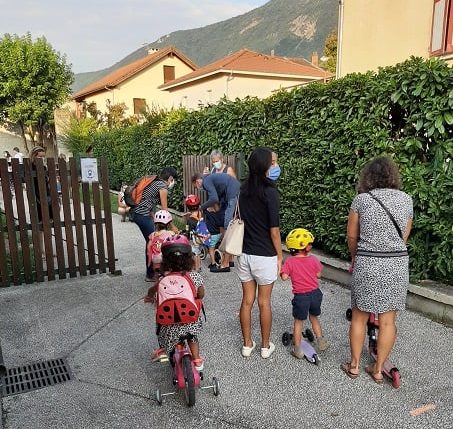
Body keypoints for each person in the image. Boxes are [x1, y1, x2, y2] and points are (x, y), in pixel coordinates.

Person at [342, 156, 413, 383]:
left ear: (368, 177)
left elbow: (352, 235)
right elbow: (404, 236)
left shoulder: (361, 200)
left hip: (368, 262)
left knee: (359, 318)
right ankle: (378, 368)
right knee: (388, 321)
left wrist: (356, 256)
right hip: (396, 264)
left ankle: (353, 366)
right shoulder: (406, 199)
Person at [237, 147, 282, 359]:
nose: (276, 166)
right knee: (264, 302)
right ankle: (265, 346)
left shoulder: (243, 190)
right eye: (273, 162)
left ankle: (247, 345)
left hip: (244, 253)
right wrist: (280, 256)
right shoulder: (271, 193)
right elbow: (274, 230)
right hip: (265, 255)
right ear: (264, 165)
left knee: (247, 301)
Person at [147, 234, 205, 370]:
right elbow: (201, 294)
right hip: (190, 321)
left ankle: (164, 350)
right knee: (192, 337)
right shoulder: (194, 276)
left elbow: (152, 291)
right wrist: (198, 297)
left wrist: (149, 297)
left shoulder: (162, 278)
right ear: (189, 259)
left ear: (165, 260)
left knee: (160, 327)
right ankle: (197, 360)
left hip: (168, 323)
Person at [280, 228, 330, 357]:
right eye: (309, 243)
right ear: (305, 247)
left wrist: (281, 269)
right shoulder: (313, 259)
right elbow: (319, 275)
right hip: (316, 294)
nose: (311, 246)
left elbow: (284, 277)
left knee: (298, 322)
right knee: (314, 317)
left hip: (301, 297)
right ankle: (321, 340)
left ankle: (297, 350)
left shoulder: (290, 262)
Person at [132, 166, 177, 282]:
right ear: (170, 178)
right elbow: (164, 210)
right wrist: (172, 226)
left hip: (140, 214)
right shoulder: (162, 186)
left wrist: (153, 217)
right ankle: (151, 274)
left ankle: (154, 271)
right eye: (174, 180)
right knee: (153, 242)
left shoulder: (156, 183)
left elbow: (148, 201)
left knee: (151, 241)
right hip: (142, 215)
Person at [192, 171, 240, 272]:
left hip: (232, 193)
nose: (198, 188)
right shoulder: (210, 178)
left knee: (228, 227)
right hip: (232, 191)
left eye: (196, 186)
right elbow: (217, 198)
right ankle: (229, 260)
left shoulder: (206, 181)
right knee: (227, 226)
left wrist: (201, 208)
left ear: (197, 181)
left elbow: (214, 198)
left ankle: (225, 264)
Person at [29, 146, 54, 258]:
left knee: (47, 225)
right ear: (34, 156)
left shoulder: (43, 168)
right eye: (40, 157)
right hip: (36, 199)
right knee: (39, 227)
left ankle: (48, 250)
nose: (42, 159)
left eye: (44, 157)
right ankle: (40, 251)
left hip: (47, 198)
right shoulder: (30, 167)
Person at [184, 195, 203, 272]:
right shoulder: (200, 214)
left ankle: (196, 267)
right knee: (198, 252)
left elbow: (187, 230)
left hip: (194, 239)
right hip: (201, 238)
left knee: (194, 253)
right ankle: (199, 266)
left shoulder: (189, 220)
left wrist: (186, 236)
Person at [204, 203, 224, 270]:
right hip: (218, 234)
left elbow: (203, 209)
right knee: (216, 247)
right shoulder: (219, 215)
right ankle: (219, 261)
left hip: (212, 235)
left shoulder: (208, 214)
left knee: (211, 249)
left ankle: (213, 264)